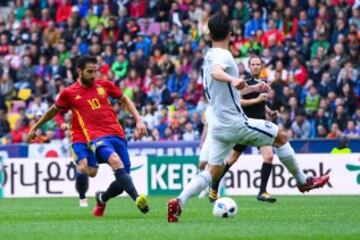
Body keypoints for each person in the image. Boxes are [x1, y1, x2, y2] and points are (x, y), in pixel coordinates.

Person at [167, 12, 329, 223]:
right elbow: (218, 73)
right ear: (230, 33)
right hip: (235, 123)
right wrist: (234, 79)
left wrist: (251, 87)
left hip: (218, 126)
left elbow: (224, 89)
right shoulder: (222, 56)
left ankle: (179, 202)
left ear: (209, 35)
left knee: (212, 172)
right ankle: (303, 181)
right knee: (280, 136)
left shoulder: (208, 55)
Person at [28, 55, 149, 217]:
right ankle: (137, 198)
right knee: (113, 160)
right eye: (89, 72)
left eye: (95, 71)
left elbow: (124, 99)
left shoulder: (104, 85)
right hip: (96, 138)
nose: (93, 75)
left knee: (122, 182)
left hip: (118, 134)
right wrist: (36, 126)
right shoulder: (69, 93)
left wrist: (139, 120)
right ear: (79, 71)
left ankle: (102, 197)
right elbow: (54, 110)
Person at [209, 59, 279, 203]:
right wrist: (257, 100)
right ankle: (214, 186)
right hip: (244, 127)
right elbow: (238, 102)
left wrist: (270, 111)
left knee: (269, 157)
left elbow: (262, 102)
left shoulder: (264, 83)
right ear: (248, 67)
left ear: (261, 66)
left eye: (258, 64)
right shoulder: (243, 84)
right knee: (232, 160)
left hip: (260, 126)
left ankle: (262, 192)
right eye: (252, 64)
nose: (255, 66)